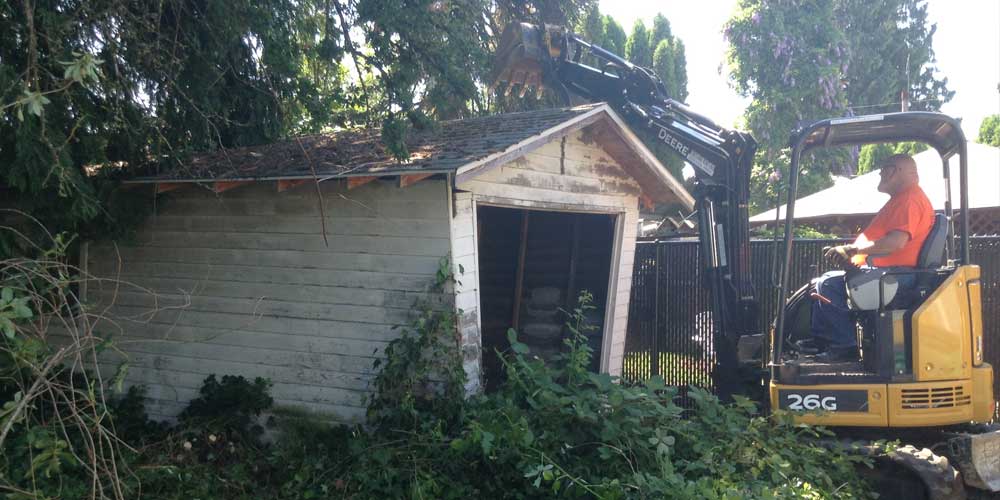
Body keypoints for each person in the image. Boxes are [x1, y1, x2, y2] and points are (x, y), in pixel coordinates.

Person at [809, 153, 934, 362]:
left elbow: (896, 242)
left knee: (828, 284)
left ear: (897, 171)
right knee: (822, 283)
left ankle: (843, 346)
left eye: (884, 168)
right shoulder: (903, 199)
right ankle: (826, 341)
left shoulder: (910, 200)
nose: (880, 173)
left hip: (897, 276)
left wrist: (853, 250)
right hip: (890, 273)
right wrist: (853, 253)